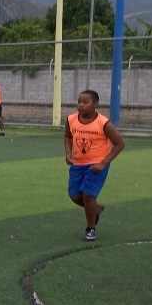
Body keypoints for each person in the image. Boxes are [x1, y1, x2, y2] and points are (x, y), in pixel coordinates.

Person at [65, 88, 124, 241]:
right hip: (77, 164)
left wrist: (103, 163)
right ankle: (95, 209)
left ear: (95, 104)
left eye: (85, 102)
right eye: (79, 101)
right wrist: (68, 152)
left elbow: (119, 144)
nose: (80, 105)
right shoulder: (71, 119)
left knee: (88, 196)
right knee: (74, 196)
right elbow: (68, 137)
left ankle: (90, 229)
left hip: (96, 165)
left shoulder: (104, 123)